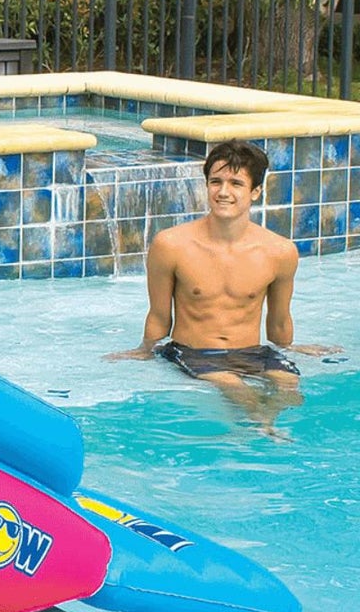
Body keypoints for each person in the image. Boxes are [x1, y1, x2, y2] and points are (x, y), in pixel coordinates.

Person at [114, 139, 331, 425]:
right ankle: (264, 428)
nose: (223, 192)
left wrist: (290, 348)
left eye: (236, 184)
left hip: (252, 352)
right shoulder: (171, 245)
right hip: (194, 352)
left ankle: (267, 430)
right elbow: (159, 315)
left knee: (288, 387)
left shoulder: (279, 252)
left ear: (255, 192)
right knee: (235, 386)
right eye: (215, 182)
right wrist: (145, 350)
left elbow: (279, 321)